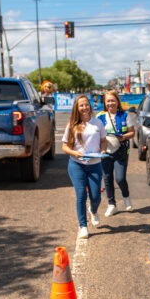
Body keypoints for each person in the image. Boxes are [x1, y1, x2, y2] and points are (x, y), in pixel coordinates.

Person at [62, 95, 107, 239]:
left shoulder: (97, 123)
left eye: (86, 104)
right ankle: (83, 226)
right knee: (81, 195)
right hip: (77, 165)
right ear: (77, 108)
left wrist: (103, 150)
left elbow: (103, 141)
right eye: (81, 105)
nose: (84, 108)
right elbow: (64, 146)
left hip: (95, 165)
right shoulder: (72, 125)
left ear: (90, 106)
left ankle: (93, 210)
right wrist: (75, 153)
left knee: (96, 196)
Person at [96, 90, 135, 216]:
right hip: (105, 152)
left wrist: (124, 137)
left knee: (120, 178)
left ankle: (126, 197)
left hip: (121, 151)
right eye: (108, 101)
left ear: (118, 102)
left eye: (113, 100)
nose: (111, 103)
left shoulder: (125, 115)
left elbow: (132, 132)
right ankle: (112, 204)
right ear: (104, 103)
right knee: (107, 178)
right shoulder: (99, 116)